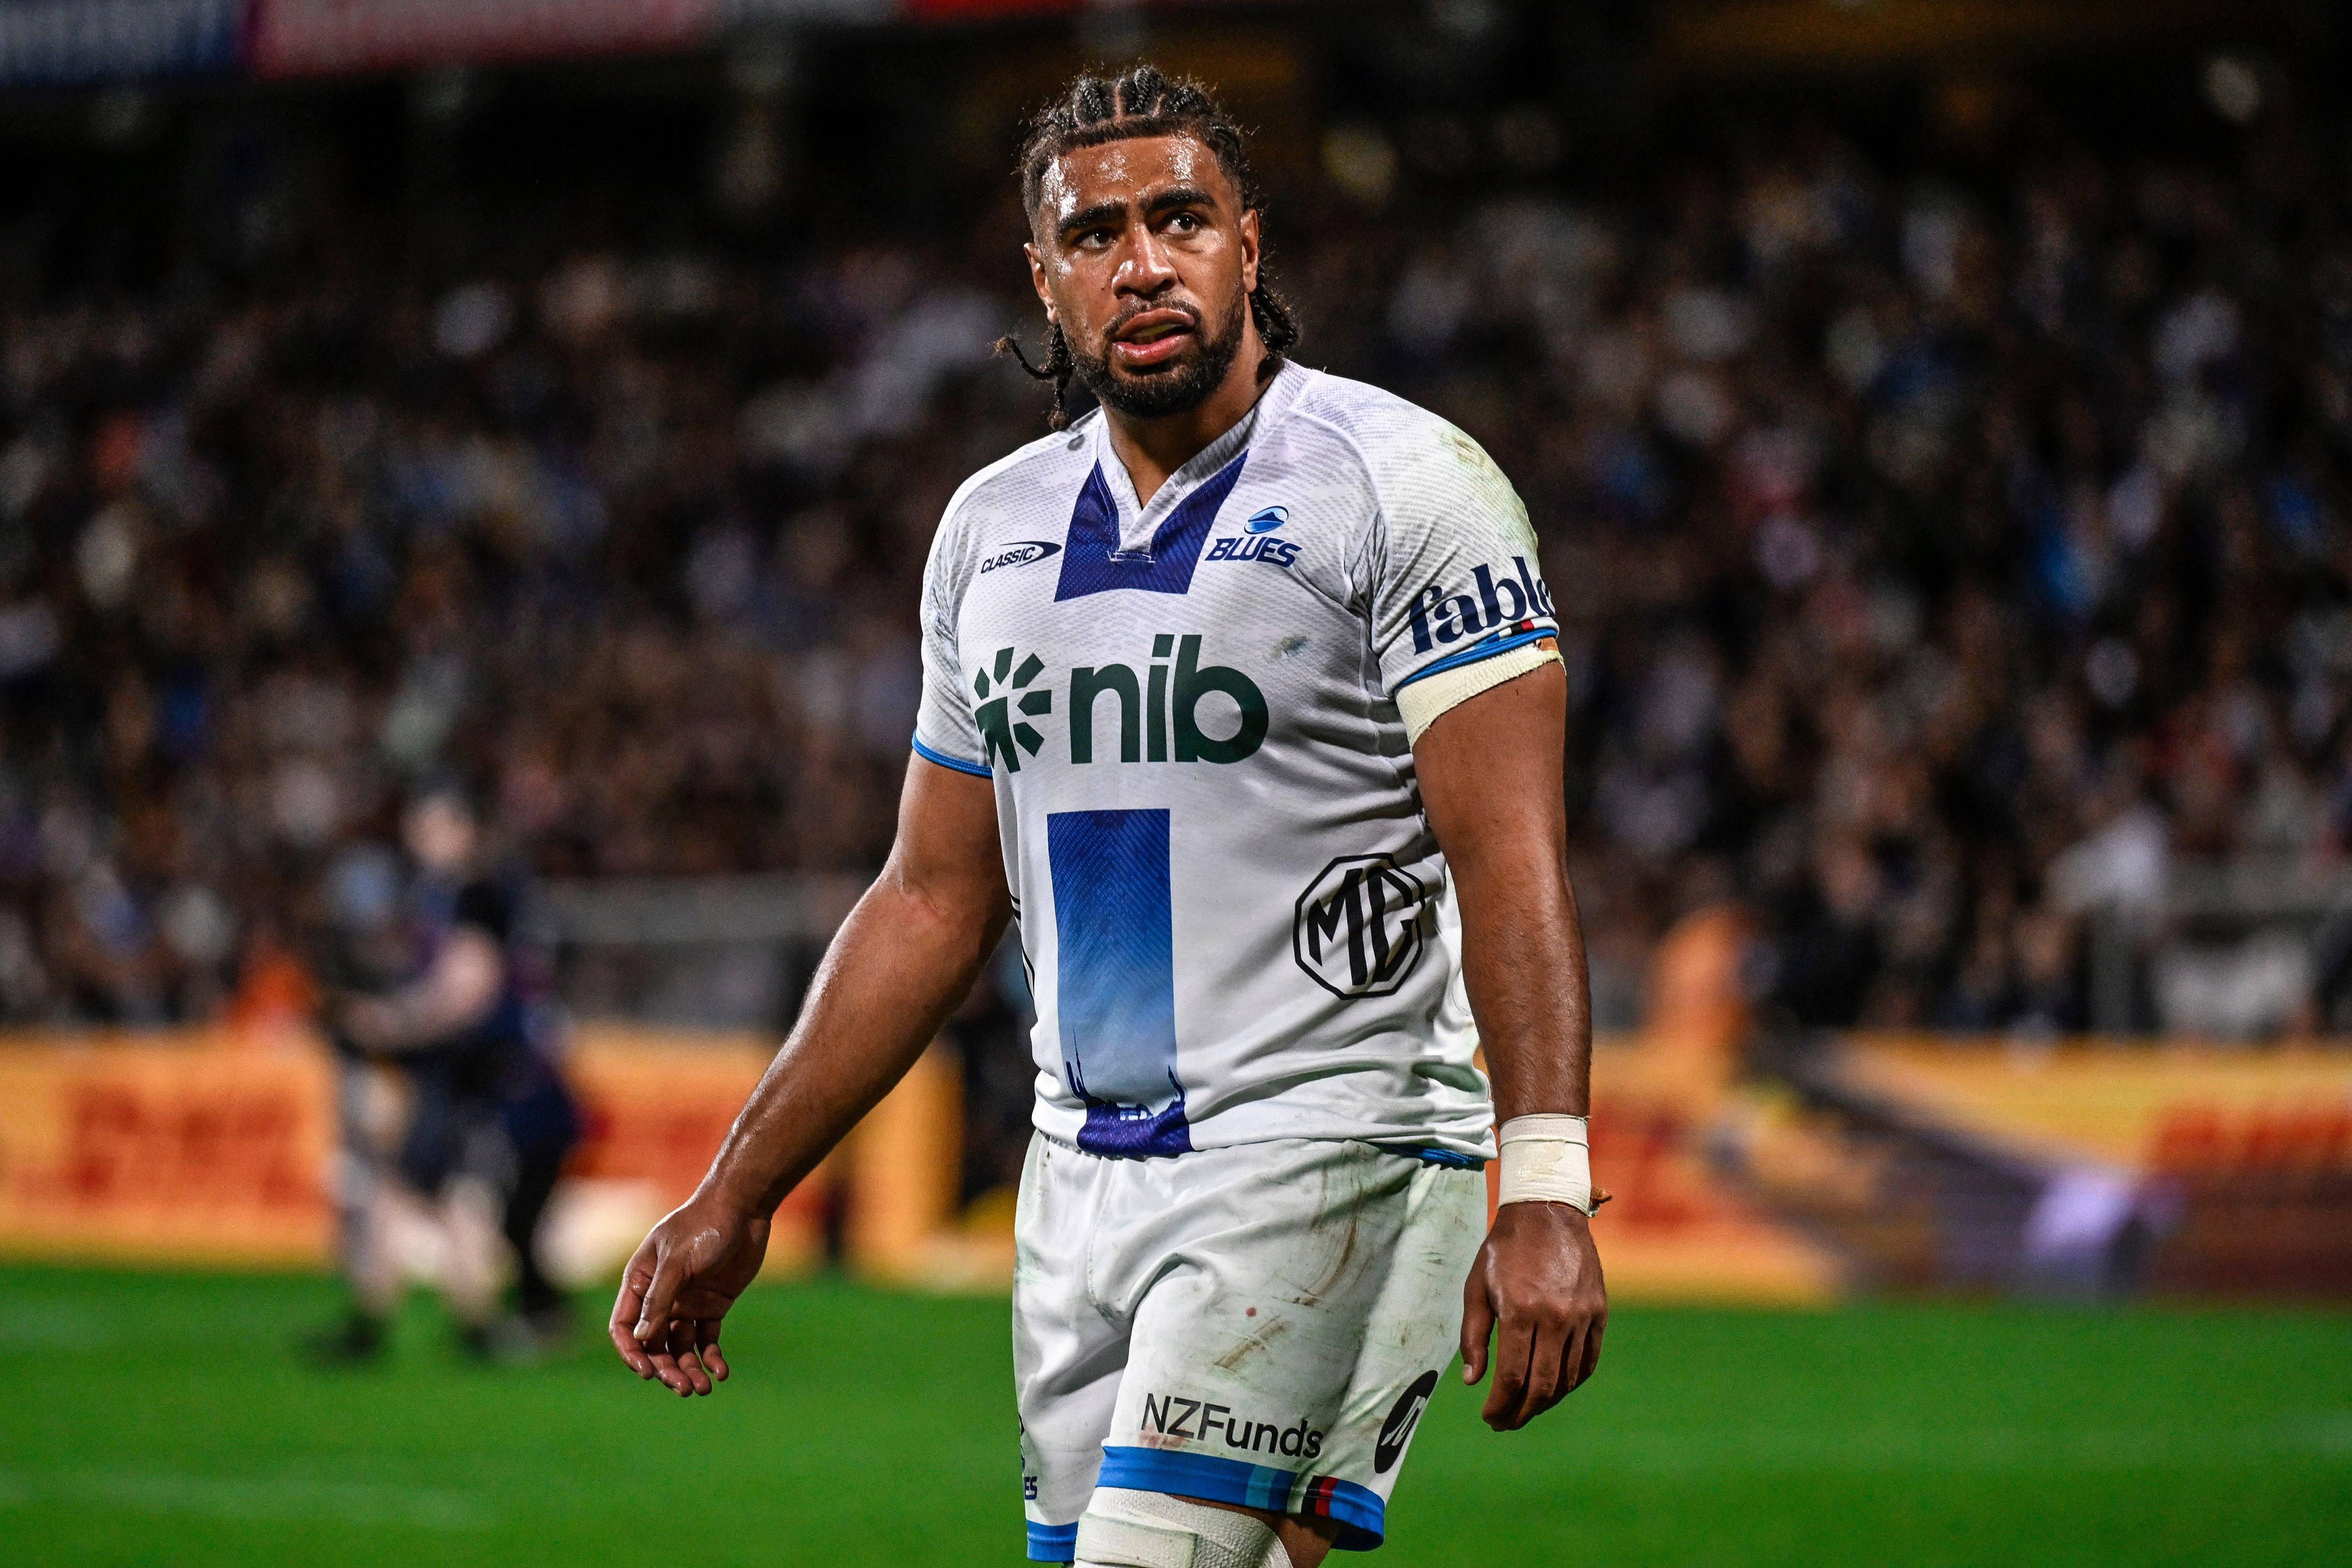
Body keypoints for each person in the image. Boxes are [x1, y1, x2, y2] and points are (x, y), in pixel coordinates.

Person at [611, 65, 1606, 1567]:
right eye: (1094, 234)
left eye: (1179, 220)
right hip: (1078, 1177)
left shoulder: (1403, 485)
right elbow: (932, 896)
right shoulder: (987, 530)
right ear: (1042, 276)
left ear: (1247, 246)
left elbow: (1510, 856)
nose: (1140, 263)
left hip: (1333, 1145)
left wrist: (1542, 1186)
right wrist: (738, 1190)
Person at [310, 785, 579, 1362]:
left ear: (465, 829)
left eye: (436, 823)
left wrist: (389, 1022)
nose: (422, 835)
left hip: (470, 1069)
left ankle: (387, 1325)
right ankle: (472, 1322)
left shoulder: (474, 896)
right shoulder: (453, 895)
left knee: (405, 1189)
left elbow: (466, 990)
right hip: (469, 1069)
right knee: (444, 1195)